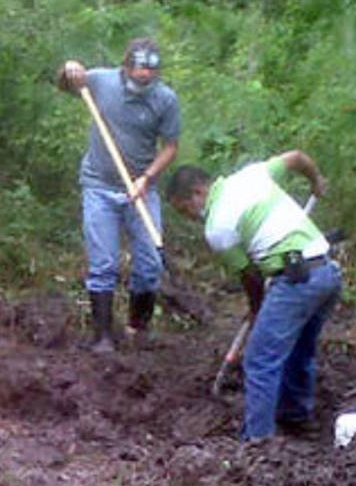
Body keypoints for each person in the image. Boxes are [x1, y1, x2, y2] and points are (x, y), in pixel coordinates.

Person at [167, 151, 339, 441]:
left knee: (259, 360)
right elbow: (297, 158)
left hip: (296, 282)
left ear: (197, 193)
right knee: (299, 348)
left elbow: (250, 276)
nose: (190, 217)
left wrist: (256, 307)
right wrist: (316, 181)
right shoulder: (251, 175)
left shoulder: (217, 228)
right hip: (327, 273)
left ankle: (257, 443)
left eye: (185, 210)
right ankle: (297, 416)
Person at [57, 37, 181, 352]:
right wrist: (69, 70)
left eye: (151, 70)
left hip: (141, 188)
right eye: (139, 69)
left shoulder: (165, 99)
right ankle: (102, 337)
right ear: (126, 66)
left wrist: (146, 178)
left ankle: (137, 329)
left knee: (150, 263)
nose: (144, 75)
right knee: (104, 263)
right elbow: (66, 83)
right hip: (99, 186)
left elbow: (170, 147)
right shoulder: (101, 81)